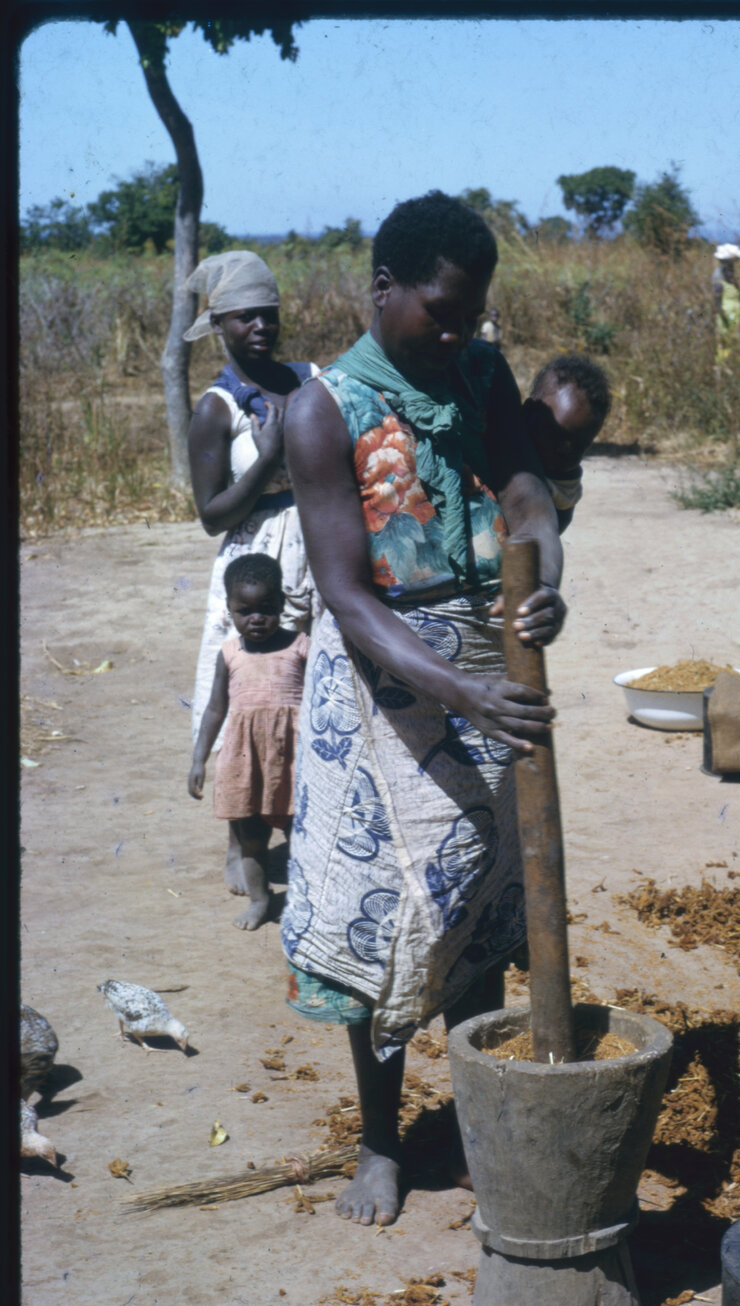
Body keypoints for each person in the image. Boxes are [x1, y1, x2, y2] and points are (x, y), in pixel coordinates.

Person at [281, 190, 566, 1228]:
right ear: (382, 289)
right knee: (387, 922)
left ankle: (477, 1115)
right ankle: (379, 1140)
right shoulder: (322, 410)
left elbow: (524, 484)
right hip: (382, 695)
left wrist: (543, 558)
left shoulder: (481, 376)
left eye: (471, 315)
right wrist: (460, 693)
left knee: (480, 914)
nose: (457, 333)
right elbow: (349, 595)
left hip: (489, 675)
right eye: (439, 313)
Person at [185, 250, 320, 896]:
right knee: (246, 689)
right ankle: (241, 839)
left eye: (268, 315)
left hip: (316, 547)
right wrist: (267, 458)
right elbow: (211, 514)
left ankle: (306, 830)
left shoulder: (307, 380)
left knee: (301, 682)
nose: (261, 328)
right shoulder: (217, 408)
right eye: (245, 319)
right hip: (252, 554)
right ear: (219, 325)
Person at [189, 553, 309, 932]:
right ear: (229, 609)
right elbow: (214, 710)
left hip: (293, 761)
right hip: (246, 761)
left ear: (283, 605)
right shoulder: (229, 654)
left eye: (267, 609)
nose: (256, 619)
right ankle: (262, 900)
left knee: (301, 836)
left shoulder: (301, 646)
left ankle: (307, 899)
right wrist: (199, 760)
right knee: (252, 838)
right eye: (245, 611)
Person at [523, 354, 610, 532]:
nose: (564, 449)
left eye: (579, 445)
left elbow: (556, 527)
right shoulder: (503, 438)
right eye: (557, 434)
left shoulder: (566, 483)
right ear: (529, 412)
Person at [712, 243, 740, 364]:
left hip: (733, 312)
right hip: (727, 313)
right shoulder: (720, 276)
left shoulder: (729, 274)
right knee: (724, 341)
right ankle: (721, 366)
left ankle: (729, 364)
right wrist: (721, 311)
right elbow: (717, 297)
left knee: (732, 340)